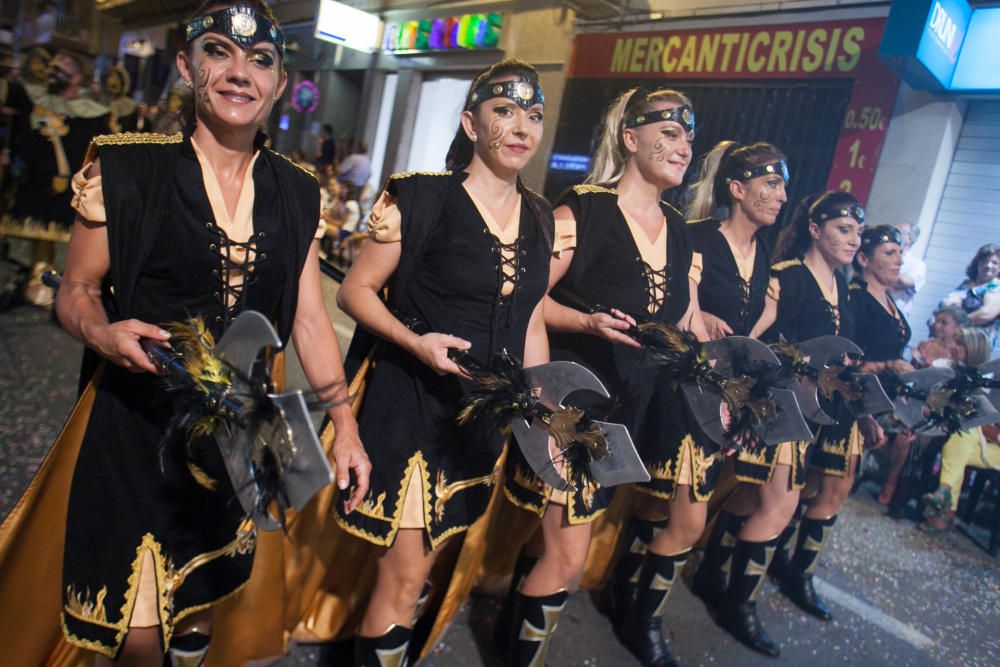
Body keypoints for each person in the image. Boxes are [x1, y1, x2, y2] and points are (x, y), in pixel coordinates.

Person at [49, 2, 370, 663]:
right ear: (187, 67)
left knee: (197, 608)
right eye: (219, 51)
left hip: (236, 438)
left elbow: (311, 317)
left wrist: (347, 426)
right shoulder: (127, 171)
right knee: (137, 636)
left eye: (260, 60)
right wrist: (103, 334)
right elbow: (75, 290)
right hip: (136, 426)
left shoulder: (296, 190)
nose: (238, 72)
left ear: (280, 83)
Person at [334, 58, 551, 663]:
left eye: (533, 115)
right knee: (401, 581)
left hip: (479, 425)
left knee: (422, 575)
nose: (520, 127)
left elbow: (531, 318)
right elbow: (353, 292)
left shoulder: (537, 215)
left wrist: (544, 409)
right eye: (503, 111)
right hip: (410, 412)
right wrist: (416, 342)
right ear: (470, 123)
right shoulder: (422, 197)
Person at [499, 87, 705, 667]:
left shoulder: (678, 228)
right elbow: (526, 303)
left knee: (552, 544)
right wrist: (586, 320)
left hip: (626, 416)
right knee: (566, 557)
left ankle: (505, 637)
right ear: (630, 138)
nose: (682, 146)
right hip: (570, 413)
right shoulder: (582, 210)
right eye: (667, 134)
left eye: (688, 137)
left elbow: (681, 323)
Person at [683, 140, 796, 657]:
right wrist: (697, 319)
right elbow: (671, 304)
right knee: (668, 508)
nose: (780, 195)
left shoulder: (765, 255)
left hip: (726, 399)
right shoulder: (698, 238)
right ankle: (626, 603)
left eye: (782, 185)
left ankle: (637, 601)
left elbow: (754, 326)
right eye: (770, 184)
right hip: (686, 388)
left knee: (691, 509)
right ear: (736, 189)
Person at [748, 190, 871, 629]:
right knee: (776, 505)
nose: (854, 240)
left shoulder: (842, 286)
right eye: (844, 229)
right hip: (780, 407)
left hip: (816, 414)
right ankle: (737, 606)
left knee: (754, 501)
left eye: (858, 231)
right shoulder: (787, 276)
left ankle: (718, 582)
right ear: (815, 231)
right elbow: (750, 339)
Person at [846, 226, 915, 509]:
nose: (899, 261)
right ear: (863, 259)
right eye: (889, 253)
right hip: (856, 398)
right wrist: (889, 365)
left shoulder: (890, 301)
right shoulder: (856, 298)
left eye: (900, 253)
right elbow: (843, 361)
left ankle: (892, 484)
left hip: (887, 399)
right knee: (825, 489)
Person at [6, 50, 110, 226]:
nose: (55, 68)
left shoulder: (94, 115)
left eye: (65, 63)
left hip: (70, 201)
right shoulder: (32, 99)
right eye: (54, 63)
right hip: (30, 192)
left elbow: (100, 160)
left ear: (77, 78)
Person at [917, 328, 997, 533]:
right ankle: (945, 502)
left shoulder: (987, 383)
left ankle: (945, 507)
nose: (953, 346)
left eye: (960, 344)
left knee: (962, 435)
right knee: (962, 436)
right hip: (974, 440)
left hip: (994, 447)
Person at [941, 243, 1000, 347]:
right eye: (984, 261)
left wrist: (953, 325)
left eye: (994, 263)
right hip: (946, 339)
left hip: (972, 346)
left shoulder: (995, 288)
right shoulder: (966, 284)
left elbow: (986, 314)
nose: (988, 265)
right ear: (977, 263)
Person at [887, 222, 925, 318]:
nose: (892, 235)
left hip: (895, 315)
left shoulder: (918, 265)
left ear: (910, 238)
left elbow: (904, 282)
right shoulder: (885, 256)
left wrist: (879, 275)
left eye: (897, 232)